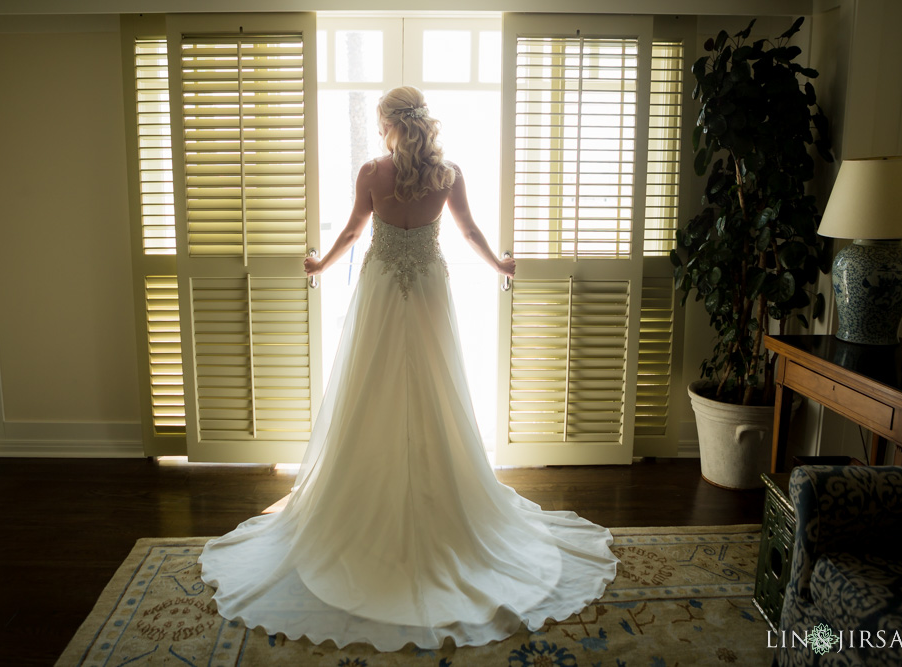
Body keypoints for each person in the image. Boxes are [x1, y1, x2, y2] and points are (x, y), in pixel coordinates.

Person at [197, 86, 619, 652]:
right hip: (425, 289)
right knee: (430, 384)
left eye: (379, 121)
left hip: (379, 288)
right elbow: (468, 233)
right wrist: (501, 264)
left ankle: (374, 486)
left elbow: (350, 232)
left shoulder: (372, 173)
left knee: (370, 386)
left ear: (390, 124)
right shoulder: (447, 175)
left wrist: (320, 263)